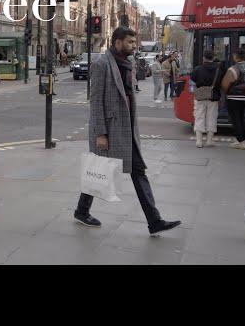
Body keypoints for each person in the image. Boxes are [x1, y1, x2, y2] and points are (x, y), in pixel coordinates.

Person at [73, 26, 181, 235]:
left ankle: (153, 220)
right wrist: (100, 134)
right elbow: (96, 102)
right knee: (101, 169)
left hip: (127, 127)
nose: (134, 46)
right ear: (117, 42)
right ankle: (83, 210)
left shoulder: (128, 63)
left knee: (135, 170)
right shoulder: (102, 64)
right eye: (130, 42)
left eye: (134, 42)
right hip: (111, 129)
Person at [220, 49, 245, 150]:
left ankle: (240, 141)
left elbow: (225, 84)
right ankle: (244, 139)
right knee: (242, 118)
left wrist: (226, 92)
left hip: (233, 97)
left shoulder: (233, 69)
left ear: (236, 56)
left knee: (235, 119)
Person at [190, 50, 222, 148]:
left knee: (199, 117)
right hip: (213, 97)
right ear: (213, 58)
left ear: (203, 58)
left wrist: (194, 91)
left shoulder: (197, 69)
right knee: (211, 117)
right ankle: (209, 140)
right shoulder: (218, 69)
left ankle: (199, 141)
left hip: (200, 97)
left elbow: (191, 83)